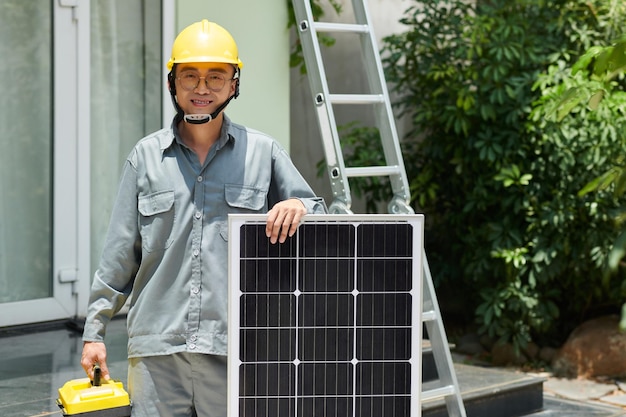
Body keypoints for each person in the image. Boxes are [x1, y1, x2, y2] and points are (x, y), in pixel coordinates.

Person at [80, 19, 326, 417]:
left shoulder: (263, 153)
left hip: (238, 347)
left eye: (216, 76)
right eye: (190, 75)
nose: (202, 87)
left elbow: (317, 212)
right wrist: (94, 333)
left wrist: (299, 206)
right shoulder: (144, 158)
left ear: (234, 85)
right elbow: (118, 258)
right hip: (157, 351)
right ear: (172, 82)